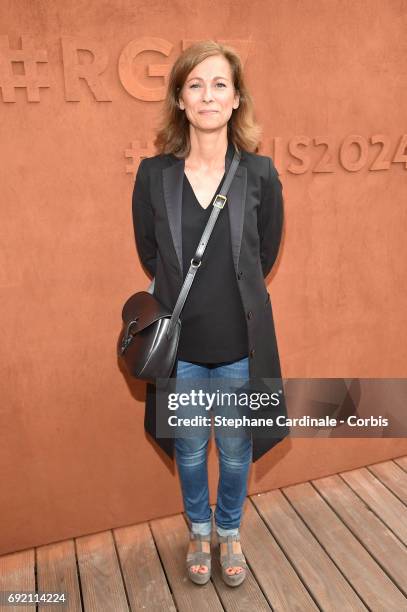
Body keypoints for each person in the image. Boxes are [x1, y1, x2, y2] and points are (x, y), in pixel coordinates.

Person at [132, 40, 288, 587]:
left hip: (241, 348)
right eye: (195, 84)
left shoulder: (262, 175)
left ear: (237, 97)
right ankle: (198, 529)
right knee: (193, 449)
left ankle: (229, 532)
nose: (208, 95)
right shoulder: (153, 176)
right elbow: (151, 254)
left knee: (239, 450)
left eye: (220, 83)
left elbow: (262, 255)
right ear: (179, 99)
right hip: (183, 354)